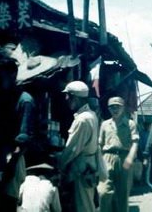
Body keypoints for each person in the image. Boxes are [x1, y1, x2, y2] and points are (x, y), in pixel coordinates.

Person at [0, 49, 34, 211]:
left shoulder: (25, 101)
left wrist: (7, 168)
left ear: (12, 75)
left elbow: (23, 140)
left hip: (12, 160)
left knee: (7, 203)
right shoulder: (3, 97)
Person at [57, 80, 99, 212]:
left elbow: (72, 150)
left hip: (80, 170)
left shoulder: (82, 120)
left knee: (83, 206)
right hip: (89, 167)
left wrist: (60, 167)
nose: (66, 99)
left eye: (68, 95)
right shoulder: (91, 115)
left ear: (75, 98)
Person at [97, 96, 139, 212]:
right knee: (104, 192)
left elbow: (135, 142)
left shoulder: (130, 124)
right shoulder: (105, 124)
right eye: (112, 107)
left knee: (123, 194)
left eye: (118, 107)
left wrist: (130, 157)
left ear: (123, 108)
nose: (115, 110)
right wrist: (99, 162)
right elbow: (100, 145)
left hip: (124, 159)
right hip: (107, 158)